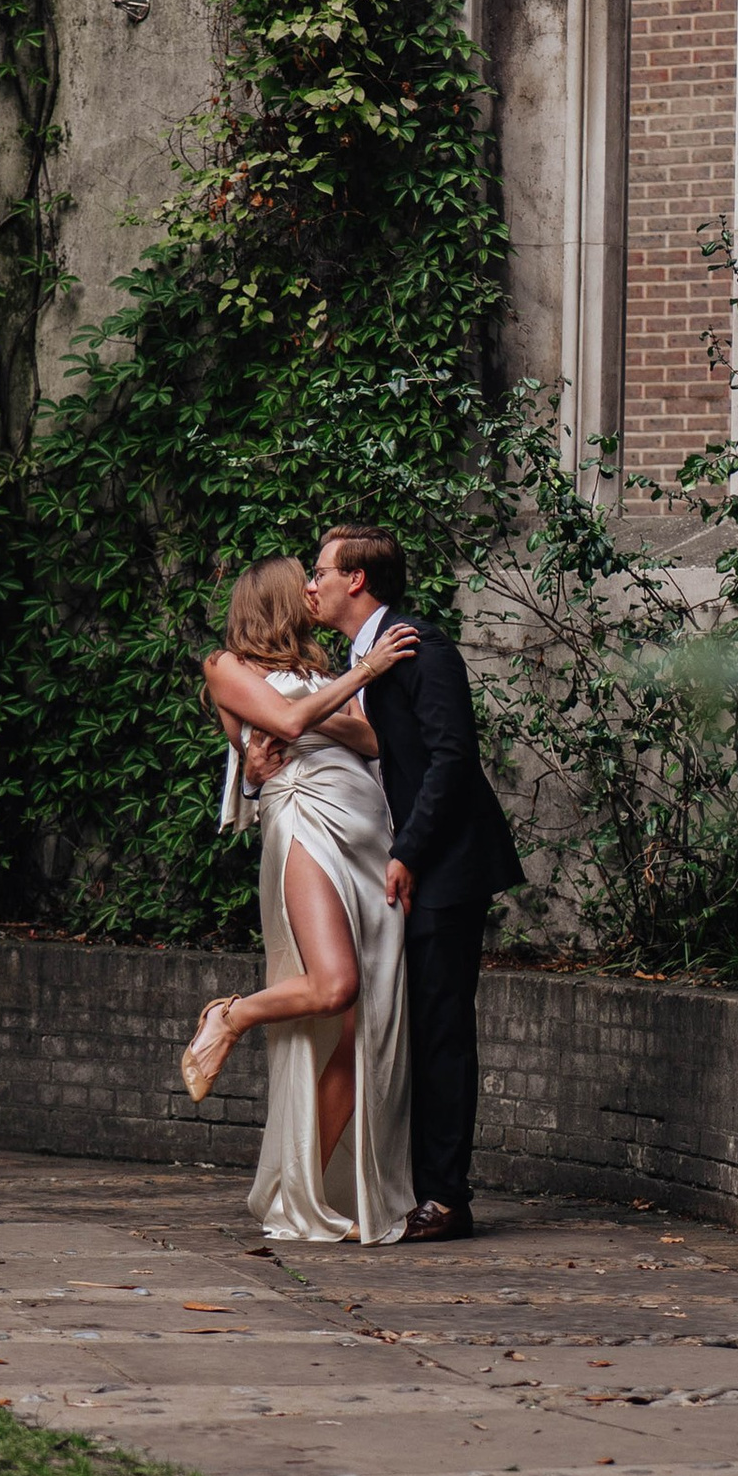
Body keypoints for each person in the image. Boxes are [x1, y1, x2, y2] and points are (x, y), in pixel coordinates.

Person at [182, 555, 419, 1247]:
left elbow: (370, 737)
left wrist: (327, 707)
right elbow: (284, 721)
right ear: (279, 598)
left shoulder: (324, 669)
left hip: (368, 832)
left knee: (359, 1027)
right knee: (334, 987)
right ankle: (232, 1016)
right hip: (308, 823)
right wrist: (361, 680)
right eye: (306, 581)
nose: (317, 589)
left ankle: (304, 1193)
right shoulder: (226, 666)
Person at [307, 524, 519, 1242]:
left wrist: (409, 851)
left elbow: (452, 757)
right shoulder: (361, 653)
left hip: (446, 867)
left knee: (441, 1032)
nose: (314, 583)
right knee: (412, 1025)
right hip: (401, 867)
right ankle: (408, 1185)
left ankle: (446, 1199)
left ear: (356, 580)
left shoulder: (420, 646)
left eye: (322, 570)